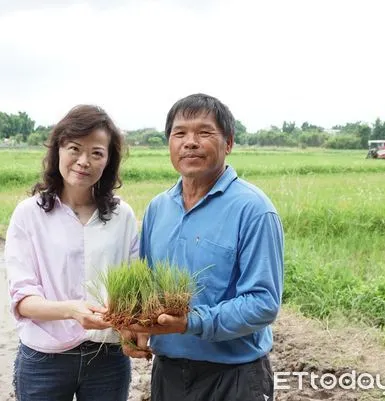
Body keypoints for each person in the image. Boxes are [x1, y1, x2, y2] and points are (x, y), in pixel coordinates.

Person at [122, 93, 284, 401]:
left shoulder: (253, 210)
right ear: (169, 143)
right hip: (168, 371)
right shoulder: (158, 208)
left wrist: (191, 322)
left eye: (204, 132)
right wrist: (133, 326)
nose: (190, 142)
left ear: (229, 142)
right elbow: (144, 286)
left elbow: (263, 303)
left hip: (233, 376)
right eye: (179, 133)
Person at [5, 105, 139, 401]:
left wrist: (136, 331)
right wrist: (72, 310)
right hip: (45, 359)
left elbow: (132, 290)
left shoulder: (122, 216)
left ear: (108, 161)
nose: (83, 161)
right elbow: (23, 299)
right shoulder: (29, 215)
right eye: (74, 149)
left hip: (107, 356)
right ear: (58, 151)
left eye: (96, 153)